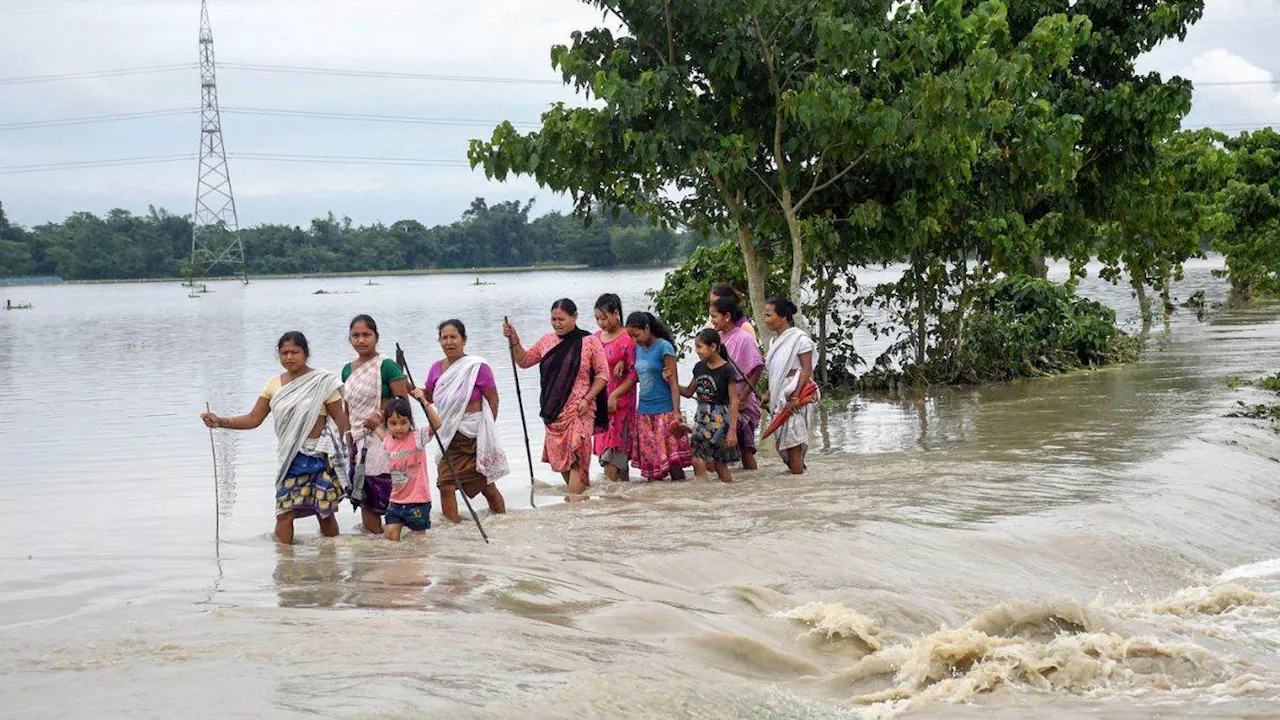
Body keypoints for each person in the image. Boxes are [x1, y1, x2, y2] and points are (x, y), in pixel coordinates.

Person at [201, 331, 351, 544]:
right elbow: (254, 418)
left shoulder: (322, 382)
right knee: (284, 512)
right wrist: (221, 421)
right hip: (291, 459)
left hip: (320, 458)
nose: (289, 357)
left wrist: (350, 451)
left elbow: (341, 420)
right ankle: (284, 564)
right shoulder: (273, 385)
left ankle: (331, 558)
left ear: (306, 353)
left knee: (324, 513)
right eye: (284, 353)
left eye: (295, 352)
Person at [503, 299, 610, 497]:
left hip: (580, 410)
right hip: (554, 412)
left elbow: (603, 375)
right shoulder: (546, 341)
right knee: (564, 464)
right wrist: (515, 341)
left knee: (577, 459)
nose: (557, 324)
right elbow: (524, 361)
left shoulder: (589, 342)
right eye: (553, 319)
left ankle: (575, 506)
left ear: (574, 317)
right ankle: (579, 501)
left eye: (561, 319)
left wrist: (588, 399)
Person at [423, 319, 509, 522]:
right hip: (448, 435)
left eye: (454, 337)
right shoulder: (436, 369)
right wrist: (407, 387)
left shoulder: (477, 367)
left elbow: (493, 399)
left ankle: (503, 520)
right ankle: (453, 528)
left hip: (474, 435)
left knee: (487, 486)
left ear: (464, 340)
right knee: (445, 484)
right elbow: (428, 396)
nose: (449, 342)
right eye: (444, 338)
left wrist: (486, 431)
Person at [341, 314, 408, 535]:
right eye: (356, 336)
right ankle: (376, 545)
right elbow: (348, 409)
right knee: (365, 493)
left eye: (366, 335)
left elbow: (402, 401)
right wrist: (348, 441)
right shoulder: (347, 370)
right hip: (360, 441)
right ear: (350, 339)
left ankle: (396, 549)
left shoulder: (387, 366)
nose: (361, 340)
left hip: (385, 438)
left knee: (392, 491)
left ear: (376, 336)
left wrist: (380, 414)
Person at [625, 311, 691, 481]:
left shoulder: (664, 347)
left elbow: (674, 382)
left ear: (647, 328)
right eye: (631, 336)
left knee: (673, 462)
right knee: (651, 466)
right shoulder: (637, 348)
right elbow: (640, 375)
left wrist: (676, 412)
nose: (634, 340)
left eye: (636, 335)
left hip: (665, 410)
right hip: (644, 412)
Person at [763, 298, 819, 474]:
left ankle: (797, 484)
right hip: (779, 395)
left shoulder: (801, 340)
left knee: (792, 442)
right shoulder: (774, 342)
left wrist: (794, 396)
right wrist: (768, 393)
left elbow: (806, 369)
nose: (765, 319)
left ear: (783, 317)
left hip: (795, 395)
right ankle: (798, 475)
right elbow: (776, 373)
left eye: (769, 315)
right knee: (784, 443)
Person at [372, 396, 438, 541]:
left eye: (403, 422)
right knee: (390, 535)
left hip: (418, 500)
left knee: (417, 540)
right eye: (393, 423)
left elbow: (436, 424)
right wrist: (373, 423)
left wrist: (424, 401)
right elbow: (378, 430)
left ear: (410, 421)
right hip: (396, 500)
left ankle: (414, 563)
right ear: (387, 424)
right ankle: (397, 563)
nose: (399, 428)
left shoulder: (418, 438)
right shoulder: (388, 440)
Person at [710, 296, 764, 470]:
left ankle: (751, 480)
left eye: (714, 317)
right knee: (720, 448)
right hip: (722, 400)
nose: (712, 321)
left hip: (741, 400)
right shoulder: (716, 339)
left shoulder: (744, 338)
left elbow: (757, 368)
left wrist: (743, 396)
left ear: (727, 316)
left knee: (745, 448)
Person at [678, 329, 739, 483]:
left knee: (720, 463)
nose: (697, 351)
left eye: (699, 347)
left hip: (721, 419)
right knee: (697, 456)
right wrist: (670, 382)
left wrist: (732, 431)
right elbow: (687, 391)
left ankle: (727, 493)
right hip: (701, 417)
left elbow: (733, 400)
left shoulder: (727, 370)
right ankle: (703, 493)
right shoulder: (699, 367)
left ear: (713, 347)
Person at [593, 294, 638, 482]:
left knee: (614, 456)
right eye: (597, 319)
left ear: (616, 314)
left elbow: (634, 374)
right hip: (602, 403)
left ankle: (610, 503)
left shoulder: (628, 338)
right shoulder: (595, 338)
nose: (600, 323)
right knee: (613, 461)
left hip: (621, 405)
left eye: (604, 318)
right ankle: (622, 504)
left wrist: (615, 396)